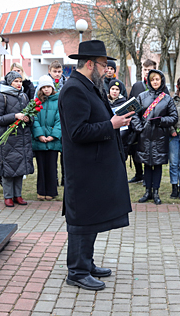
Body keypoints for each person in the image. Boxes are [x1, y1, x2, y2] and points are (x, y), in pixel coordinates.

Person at [58, 40, 133, 291]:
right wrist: (111, 125)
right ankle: (77, 271)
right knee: (81, 220)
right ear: (90, 64)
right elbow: (77, 131)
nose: (107, 69)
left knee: (91, 218)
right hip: (83, 169)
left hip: (94, 166)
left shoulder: (89, 86)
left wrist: (115, 118)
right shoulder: (73, 89)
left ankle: (86, 263)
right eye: (103, 64)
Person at [131, 69, 178, 205]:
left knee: (157, 165)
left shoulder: (167, 98)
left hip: (160, 137)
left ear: (161, 80)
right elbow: (134, 114)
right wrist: (139, 128)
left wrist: (162, 121)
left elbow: (174, 117)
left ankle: (156, 192)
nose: (155, 82)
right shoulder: (141, 96)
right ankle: (147, 192)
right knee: (146, 164)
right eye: (153, 80)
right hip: (145, 137)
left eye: (157, 79)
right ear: (149, 81)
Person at [0, 71, 34, 208]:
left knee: (20, 167)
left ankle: (18, 195)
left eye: (20, 81)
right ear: (9, 82)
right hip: (8, 139)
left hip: (22, 138)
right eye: (16, 81)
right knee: (9, 168)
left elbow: (30, 114)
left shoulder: (23, 96)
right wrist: (14, 116)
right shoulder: (1, 96)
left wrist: (28, 119)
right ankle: (8, 196)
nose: (18, 84)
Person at [128, 59, 169, 184]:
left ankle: (148, 179)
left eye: (149, 70)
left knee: (152, 154)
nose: (146, 72)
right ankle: (139, 174)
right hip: (138, 125)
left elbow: (167, 107)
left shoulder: (163, 89)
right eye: (144, 70)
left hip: (154, 128)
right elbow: (130, 105)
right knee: (136, 150)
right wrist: (135, 124)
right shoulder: (137, 86)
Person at [31, 75, 62, 201]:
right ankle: (41, 190)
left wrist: (53, 136)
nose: (47, 89)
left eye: (49, 87)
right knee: (41, 166)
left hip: (53, 141)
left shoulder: (58, 101)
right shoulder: (36, 102)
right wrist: (39, 135)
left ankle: (51, 191)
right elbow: (35, 119)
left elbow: (59, 120)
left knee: (52, 166)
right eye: (44, 87)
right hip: (40, 140)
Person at [107, 79, 131, 155]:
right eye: (112, 89)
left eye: (117, 89)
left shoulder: (124, 103)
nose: (114, 91)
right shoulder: (104, 102)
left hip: (122, 137)